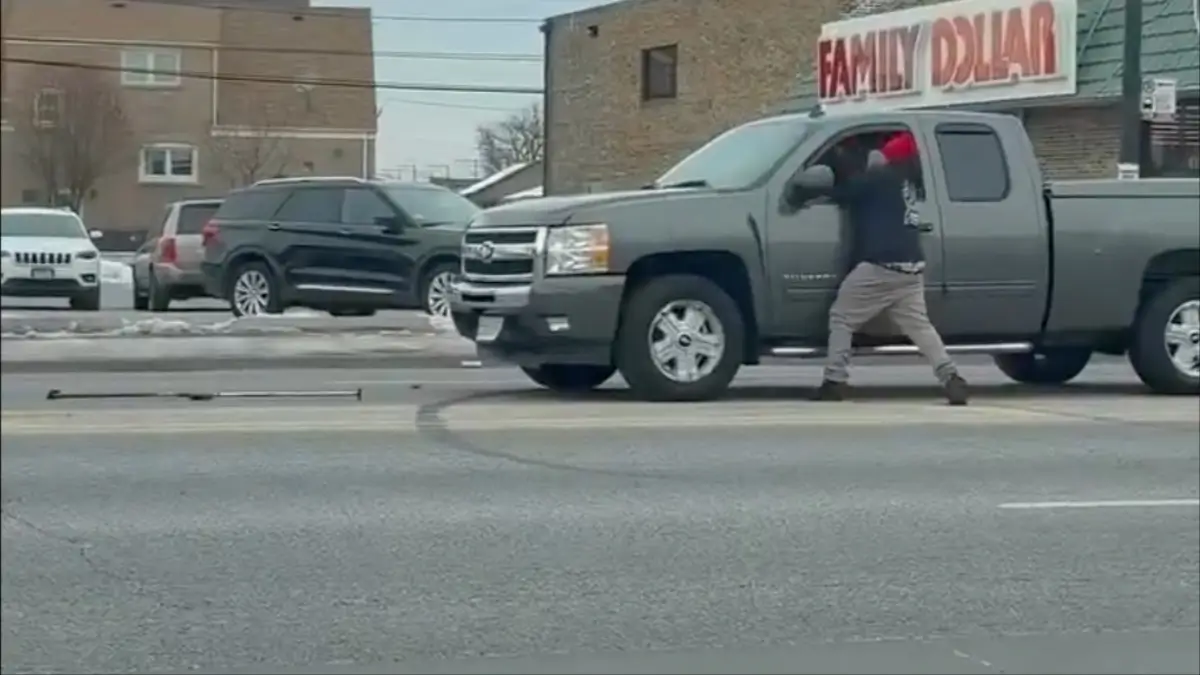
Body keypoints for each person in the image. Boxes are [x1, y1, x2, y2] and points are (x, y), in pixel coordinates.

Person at [809, 131, 969, 405]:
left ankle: (834, 381)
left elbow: (842, 194)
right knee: (920, 327)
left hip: (881, 264)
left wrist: (810, 190)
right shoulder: (907, 184)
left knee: (841, 317)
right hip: (911, 266)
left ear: (888, 158)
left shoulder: (878, 179)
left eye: (880, 152)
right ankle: (951, 376)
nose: (874, 155)